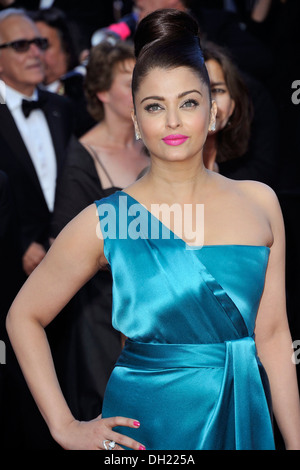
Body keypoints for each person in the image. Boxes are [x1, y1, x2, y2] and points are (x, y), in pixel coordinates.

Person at [6, 9, 300, 450]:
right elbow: (23, 316)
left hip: (245, 419)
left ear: (213, 110)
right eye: (155, 107)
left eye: (188, 102)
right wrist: (65, 427)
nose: (174, 121)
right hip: (148, 433)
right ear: (138, 122)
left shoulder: (259, 201)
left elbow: (274, 336)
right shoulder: (109, 219)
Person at [47, 39, 149, 427]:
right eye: (130, 81)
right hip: (103, 312)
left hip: (160, 309)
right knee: (114, 416)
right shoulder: (82, 156)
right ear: (102, 92)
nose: (142, 87)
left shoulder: (157, 146)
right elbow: (63, 242)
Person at [0, 8, 73, 278]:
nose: (35, 53)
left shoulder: (62, 107)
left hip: (66, 255)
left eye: (39, 44)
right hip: (10, 267)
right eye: (21, 45)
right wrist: (21, 244)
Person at [202, 40, 279, 187]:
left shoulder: (259, 194)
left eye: (218, 90)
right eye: (198, 91)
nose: (211, 103)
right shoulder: (150, 179)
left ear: (232, 105)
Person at [29, 7, 96, 137]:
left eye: (43, 45)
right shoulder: (16, 95)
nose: (35, 53)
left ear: (66, 48)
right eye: (28, 46)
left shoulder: (88, 91)